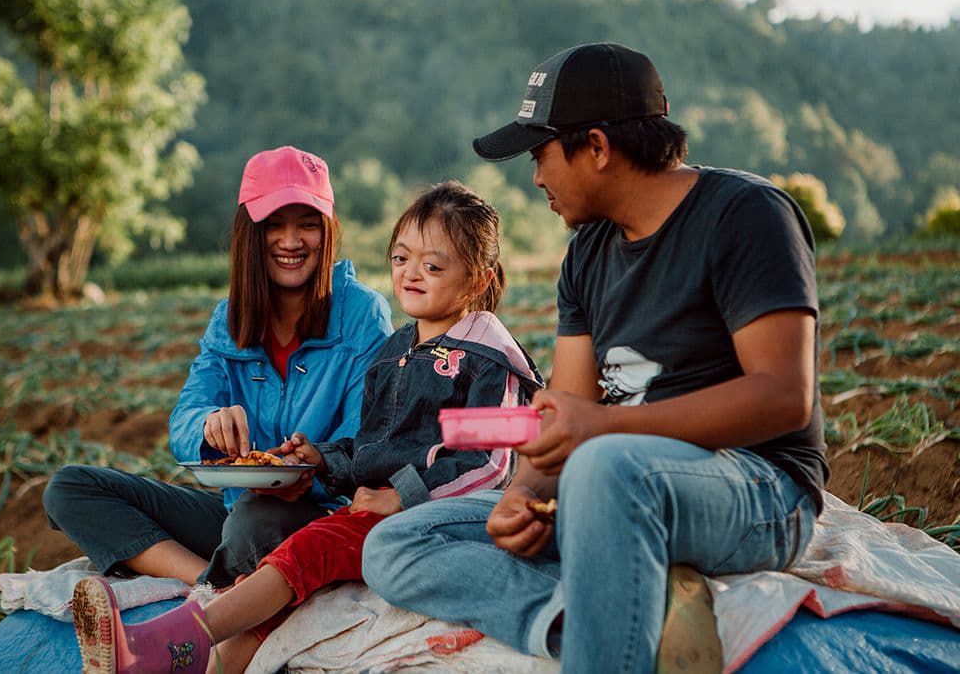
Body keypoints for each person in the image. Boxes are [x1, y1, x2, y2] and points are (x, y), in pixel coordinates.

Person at [361, 42, 828, 673]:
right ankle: (580, 617)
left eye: (541, 155)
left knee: (605, 466)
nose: (536, 178)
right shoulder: (586, 254)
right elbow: (568, 410)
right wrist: (523, 495)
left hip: (758, 489)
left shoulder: (745, 215)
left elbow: (783, 396)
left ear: (598, 148)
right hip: (606, 486)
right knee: (396, 542)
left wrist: (604, 429)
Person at [69, 180, 545, 674]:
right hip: (374, 512)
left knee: (306, 549)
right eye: (401, 259)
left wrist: (402, 497)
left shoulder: (485, 358)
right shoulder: (398, 351)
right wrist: (321, 458)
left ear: (477, 279)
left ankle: (158, 642)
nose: (410, 274)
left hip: (436, 518)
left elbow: (490, 463)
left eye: (433, 266)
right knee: (281, 595)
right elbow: (371, 445)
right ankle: (182, 662)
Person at [43, 146, 394, 590]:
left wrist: (312, 469)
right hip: (237, 510)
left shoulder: (362, 313)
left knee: (254, 520)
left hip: (324, 517)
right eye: (274, 225)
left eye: (308, 224)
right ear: (249, 232)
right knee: (70, 488)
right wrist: (209, 424)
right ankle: (211, 584)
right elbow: (183, 422)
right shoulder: (228, 319)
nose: (291, 241)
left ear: (327, 231)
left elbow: (368, 437)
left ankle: (224, 586)